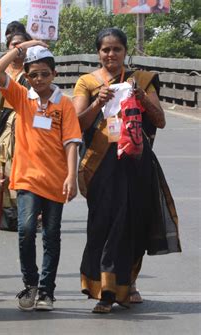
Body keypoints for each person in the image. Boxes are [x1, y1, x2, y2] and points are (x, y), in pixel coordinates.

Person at [72, 28, 181, 314]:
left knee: (133, 225)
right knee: (103, 226)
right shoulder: (87, 82)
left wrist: (142, 98)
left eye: (116, 49)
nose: (111, 54)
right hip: (99, 165)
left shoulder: (141, 81)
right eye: (105, 50)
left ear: (125, 51)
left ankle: (126, 283)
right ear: (98, 53)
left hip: (135, 163)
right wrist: (99, 102)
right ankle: (104, 290)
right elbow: (76, 125)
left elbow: (160, 120)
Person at [0, 43, 81, 311]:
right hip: (27, 179)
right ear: (26, 77)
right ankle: (30, 284)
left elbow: (72, 143)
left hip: (55, 181)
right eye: (33, 75)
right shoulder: (21, 98)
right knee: (26, 231)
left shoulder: (64, 104)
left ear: (53, 73)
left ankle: (46, 291)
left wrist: (72, 177)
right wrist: (21, 48)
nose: (39, 79)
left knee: (52, 236)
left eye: (44, 73)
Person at [0, 31, 32, 232]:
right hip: (0, 124)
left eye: (22, 45)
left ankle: (26, 214)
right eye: (14, 45)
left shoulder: (32, 72)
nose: (18, 49)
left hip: (22, 125)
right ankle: (5, 217)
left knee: (19, 167)